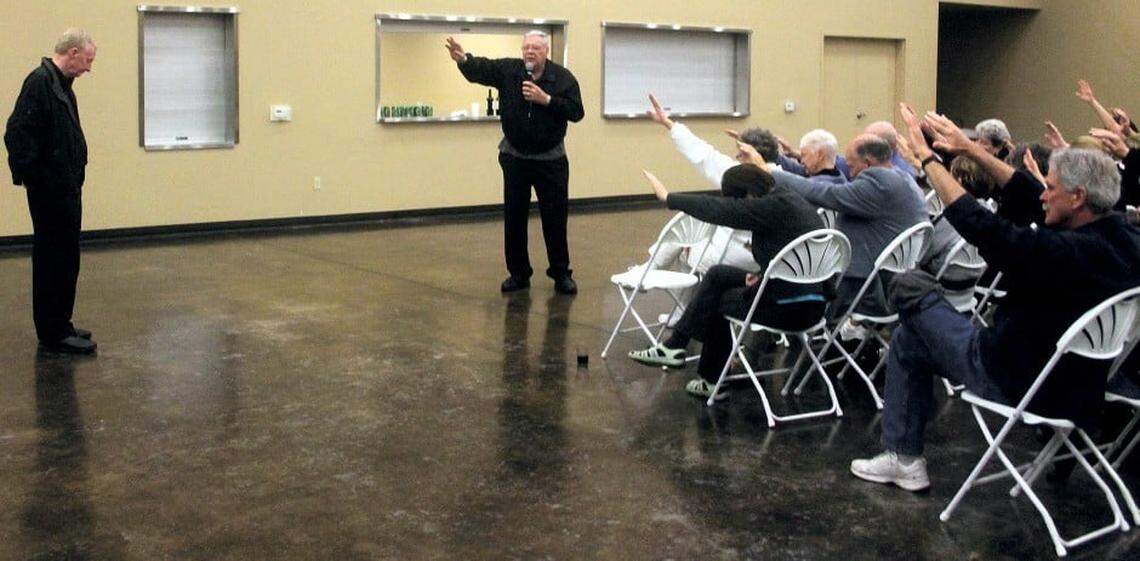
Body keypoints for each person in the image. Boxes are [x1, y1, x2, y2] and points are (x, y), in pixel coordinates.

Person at [849, 103, 1140, 492]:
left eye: (1052, 188)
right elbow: (1029, 193)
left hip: (1015, 378)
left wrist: (929, 161)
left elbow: (984, 228)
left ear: (1077, 197)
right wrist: (970, 150)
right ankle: (903, 457)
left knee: (910, 291)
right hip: (1083, 387)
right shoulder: (1122, 237)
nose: (1043, 195)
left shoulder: (1064, 254)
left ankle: (904, 456)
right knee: (910, 339)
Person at [629, 164, 827, 400]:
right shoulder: (789, 201)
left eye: (737, 201)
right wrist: (765, 275)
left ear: (748, 195)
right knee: (718, 274)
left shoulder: (771, 207)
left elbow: (719, 209)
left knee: (719, 301)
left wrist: (669, 198)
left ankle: (713, 381)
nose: (738, 207)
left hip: (789, 309)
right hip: (811, 301)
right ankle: (675, 345)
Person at [445, 31, 584, 295]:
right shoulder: (510, 71)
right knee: (514, 216)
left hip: (550, 160)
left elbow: (577, 112)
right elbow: (483, 69)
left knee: (555, 219)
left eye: (536, 48)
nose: (530, 52)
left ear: (546, 51)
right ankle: (518, 274)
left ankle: (560, 273)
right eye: (526, 48)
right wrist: (463, 60)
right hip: (515, 157)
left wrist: (547, 100)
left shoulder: (563, 78)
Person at [760, 135, 926, 318]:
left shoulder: (879, 183)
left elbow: (825, 193)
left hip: (865, 287)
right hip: (891, 278)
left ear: (868, 163)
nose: (850, 174)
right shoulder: (903, 177)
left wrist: (772, 173)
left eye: (852, 166)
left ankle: (794, 337)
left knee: (782, 277)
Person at [5, 29, 98, 354]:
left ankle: (62, 323)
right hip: (51, 191)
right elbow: (17, 134)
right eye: (87, 61)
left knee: (66, 257)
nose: (88, 68)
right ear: (71, 53)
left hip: (66, 188)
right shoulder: (39, 84)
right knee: (52, 259)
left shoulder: (61, 86)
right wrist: (36, 178)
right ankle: (53, 332)